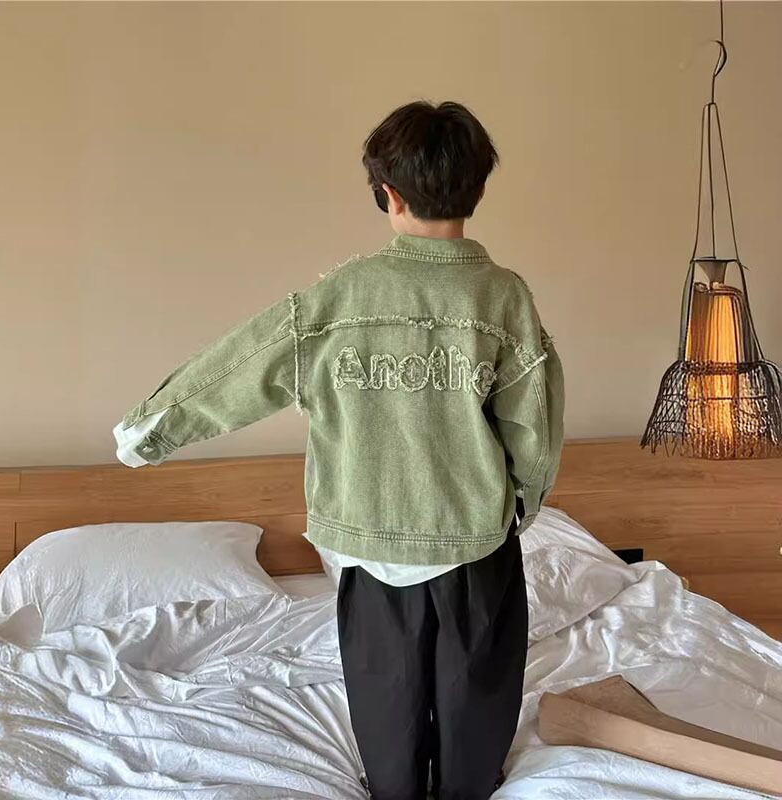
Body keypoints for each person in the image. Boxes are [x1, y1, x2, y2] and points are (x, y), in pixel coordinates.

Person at [114, 100, 564, 800]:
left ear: (388, 194)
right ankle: (470, 780)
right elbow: (534, 423)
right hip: (473, 535)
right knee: (479, 676)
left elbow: (244, 364)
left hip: (368, 531)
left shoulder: (339, 297)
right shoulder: (504, 298)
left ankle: (393, 781)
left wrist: (152, 427)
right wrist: (522, 503)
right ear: (478, 188)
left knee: (384, 680)